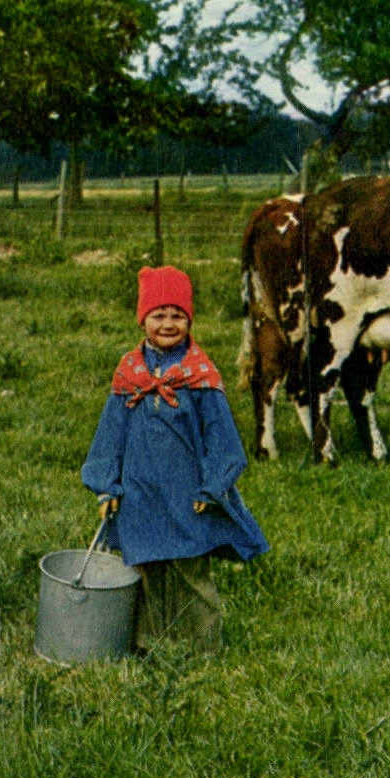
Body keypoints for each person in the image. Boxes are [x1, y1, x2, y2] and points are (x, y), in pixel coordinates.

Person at [81, 265, 268, 654]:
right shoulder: (129, 374)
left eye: (177, 315)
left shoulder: (199, 375)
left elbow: (223, 438)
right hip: (138, 495)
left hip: (187, 495)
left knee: (189, 570)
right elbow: (109, 434)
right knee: (145, 569)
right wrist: (106, 486)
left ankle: (201, 646)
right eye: (158, 315)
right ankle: (147, 642)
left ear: (189, 318)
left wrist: (213, 485)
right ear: (143, 319)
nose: (168, 324)